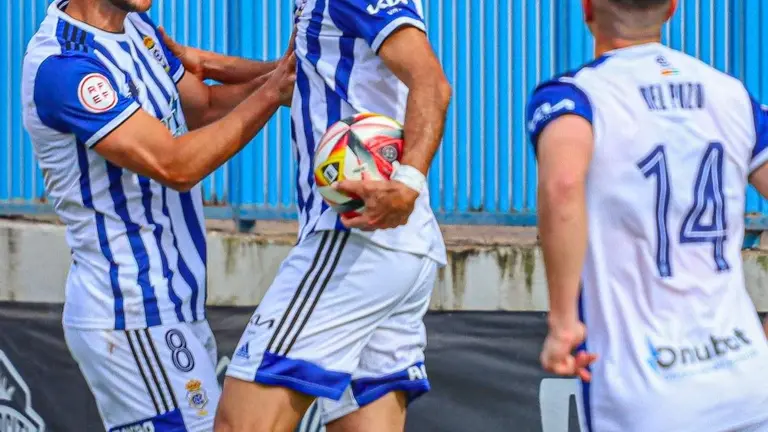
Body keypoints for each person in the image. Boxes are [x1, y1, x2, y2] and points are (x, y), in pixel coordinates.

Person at [21, 0, 295, 430]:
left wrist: (289, 75)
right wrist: (273, 91)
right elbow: (175, 165)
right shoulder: (66, 65)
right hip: (131, 310)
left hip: (172, 303)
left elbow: (203, 106)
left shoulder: (137, 27)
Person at [201, 0, 451, 431]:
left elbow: (431, 81)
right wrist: (205, 62)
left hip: (354, 239)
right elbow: (296, 73)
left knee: (239, 423)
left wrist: (408, 181)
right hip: (400, 245)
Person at [528, 0, 768, 431]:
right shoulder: (731, 94)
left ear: (586, 8)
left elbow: (562, 185)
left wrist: (563, 322)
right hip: (748, 380)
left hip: (644, 391)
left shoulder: (576, 96)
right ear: (673, 8)